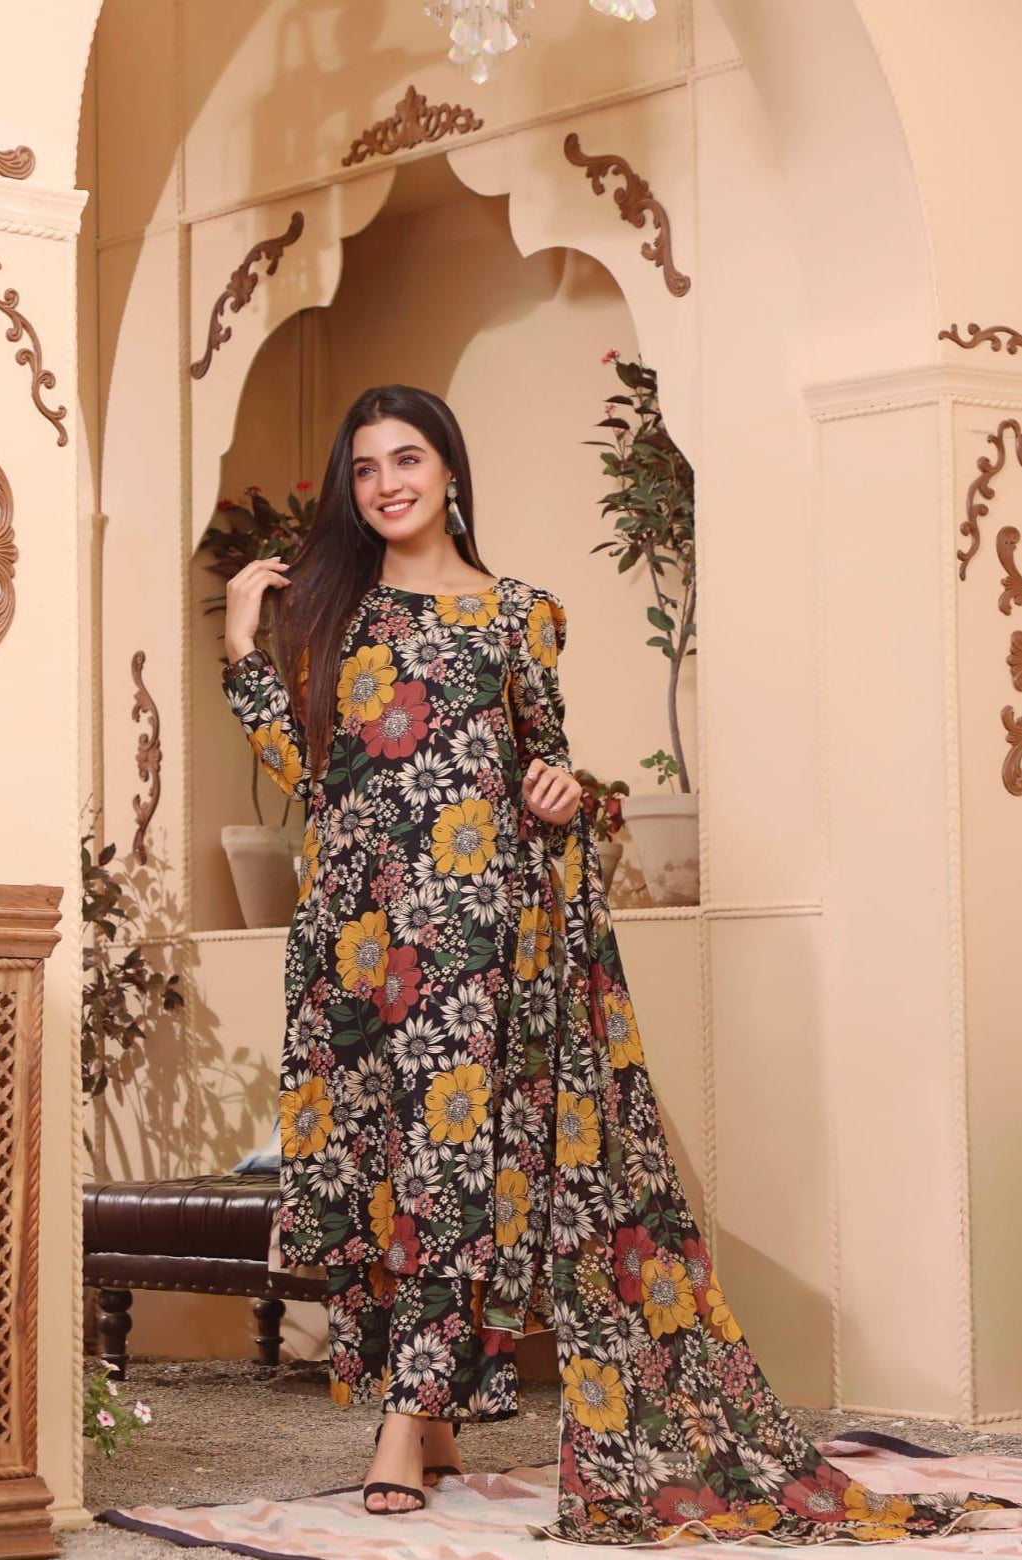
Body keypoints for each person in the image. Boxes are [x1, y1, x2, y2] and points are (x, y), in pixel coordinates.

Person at [220, 384, 1020, 1544]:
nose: (387, 483)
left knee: (450, 1171)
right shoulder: (333, 616)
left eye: (408, 459)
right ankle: (436, 1415)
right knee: (384, 1176)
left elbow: (557, 776)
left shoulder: (519, 614)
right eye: (366, 468)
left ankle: (403, 1423)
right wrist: (244, 647)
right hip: (358, 940)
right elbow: (309, 774)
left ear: (450, 470)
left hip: (484, 938)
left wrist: (562, 795)